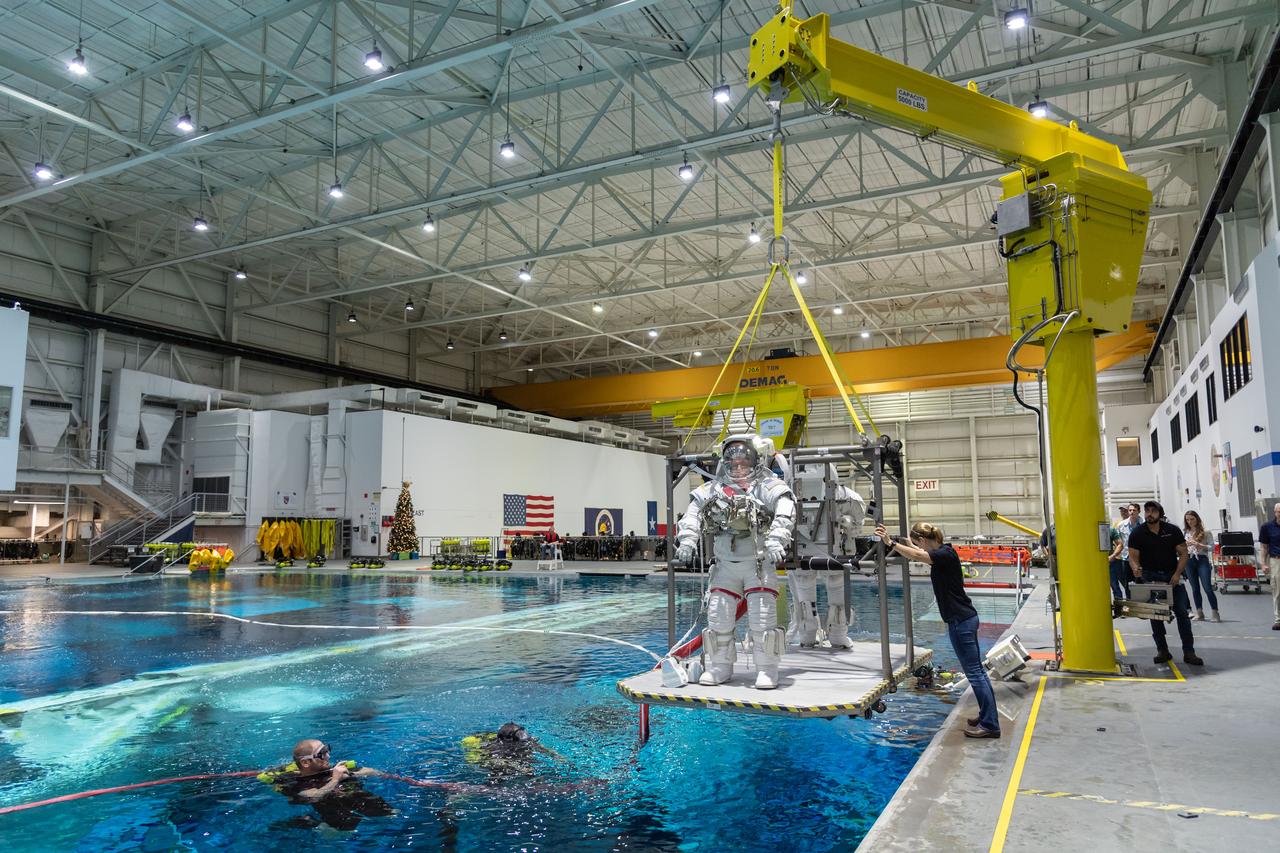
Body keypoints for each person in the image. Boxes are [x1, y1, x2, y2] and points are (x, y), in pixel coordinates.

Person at [674, 434, 796, 689]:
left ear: (756, 461)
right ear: (726, 463)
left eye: (744, 462)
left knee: (762, 620)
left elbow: (786, 510)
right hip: (725, 564)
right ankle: (720, 666)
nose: (738, 468)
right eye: (733, 463)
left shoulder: (767, 486)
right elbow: (692, 514)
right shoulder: (714, 488)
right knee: (718, 617)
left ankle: (766, 669)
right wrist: (687, 541)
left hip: (758, 563)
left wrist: (777, 539)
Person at [876, 520, 999, 739]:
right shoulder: (944, 552)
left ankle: (990, 725)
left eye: (918, 543)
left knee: (975, 674)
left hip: (961, 621)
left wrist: (890, 543)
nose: (918, 547)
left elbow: (918, 555)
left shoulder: (943, 555)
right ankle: (986, 716)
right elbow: (919, 552)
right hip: (963, 619)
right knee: (978, 673)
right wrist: (903, 542)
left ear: (923, 540)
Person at [787, 461, 866, 649]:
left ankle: (809, 637)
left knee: (806, 596)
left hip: (808, 552)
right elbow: (858, 520)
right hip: (829, 552)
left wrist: (848, 524)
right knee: (833, 591)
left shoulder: (789, 496)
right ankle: (835, 636)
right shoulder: (845, 495)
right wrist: (850, 524)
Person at [1128, 501, 1203, 666]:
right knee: (1155, 616)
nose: (1149, 514)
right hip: (1150, 577)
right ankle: (1162, 650)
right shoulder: (1138, 533)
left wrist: (1177, 574)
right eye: (1147, 511)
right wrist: (1135, 567)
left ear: (1160, 514)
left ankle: (1189, 652)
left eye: (1153, 511)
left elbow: (1184, 554)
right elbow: (1132, 556)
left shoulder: (1172, 530)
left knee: (1182, 614)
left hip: (1172, 578)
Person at [259, 739, 394, 831]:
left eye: (327, 750)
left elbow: (371, 771)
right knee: (342, 832)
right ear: (305, 763)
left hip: (352, 798)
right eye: (322, 754)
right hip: (330, 808)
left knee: (391, 814)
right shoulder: (295, 782)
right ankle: (308, 822)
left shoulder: (331, 769)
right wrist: (335, 780)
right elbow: (313, 796)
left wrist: (351, 773)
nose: (328, 756)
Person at [461, 722, 563, 781]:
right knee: (498, 775)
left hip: (515, 758)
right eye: (520, 740)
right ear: (508, 740)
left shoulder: (525, 740)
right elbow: (495, 761)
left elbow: (541, 748)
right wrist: (518, 767)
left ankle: (535, 780)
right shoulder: (495, 747)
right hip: (501, 763)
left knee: (531, 770)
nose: (526, 742)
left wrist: (557, 757)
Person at [1182, 511, 1219, 622]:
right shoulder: (1185, 532)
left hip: (1202, 560)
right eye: (1187, 520)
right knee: (1195, 589)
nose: (1190, 522)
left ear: (1197, 519)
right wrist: (1185, 545)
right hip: (1189, 560)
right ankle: (1199, 612)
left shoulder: (1206, 533)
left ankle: (1215, 612)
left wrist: (1199, 545)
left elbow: (1212, 547)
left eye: (1192, 519)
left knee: (1207, 587)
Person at [1260, 502, 1280, 630]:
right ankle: (1278, 620)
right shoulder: (1267, 527)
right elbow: (1264, 547)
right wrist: (1263, 564)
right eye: (1279, 512)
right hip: (1276, 560)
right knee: (1277, 590)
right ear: (1275, 512)